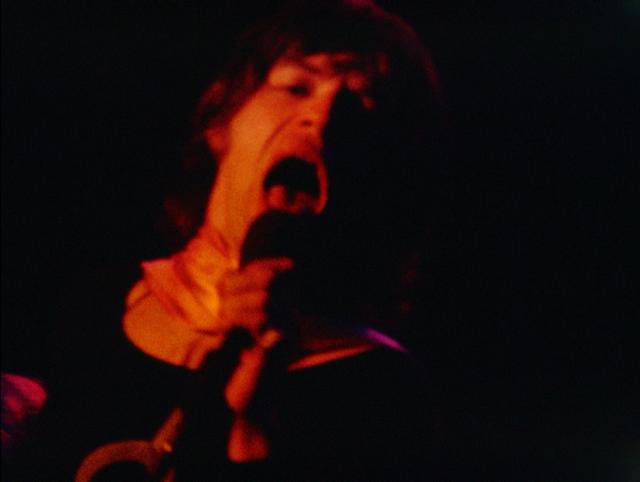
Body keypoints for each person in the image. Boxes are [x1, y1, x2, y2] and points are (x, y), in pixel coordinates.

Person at [28, 1, 447, 480]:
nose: (323, 116)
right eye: (296, 87)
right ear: (221, 123)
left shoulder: (378, 393)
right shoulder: (95, 305)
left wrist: (254, 429)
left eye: (361, 105)